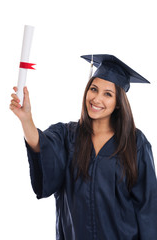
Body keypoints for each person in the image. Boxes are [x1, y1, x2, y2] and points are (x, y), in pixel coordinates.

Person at [10, 54, 157, 240]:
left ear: (119, 103)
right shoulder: (67, 135)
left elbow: (148, 208)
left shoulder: (135, 143)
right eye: (93, 89)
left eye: (107, 94)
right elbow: (42, 145)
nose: (96, 99)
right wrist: (26, 119)